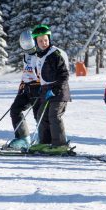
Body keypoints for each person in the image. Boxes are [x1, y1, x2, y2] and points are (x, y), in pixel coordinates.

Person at [29, 24, 71, 154]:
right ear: (36, 42)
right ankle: (45, 142)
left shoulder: (55, 54)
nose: (43, 43)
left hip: (59, 91)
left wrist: (55, 90)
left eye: (45, 40)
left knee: (54, 115)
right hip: (46, 90)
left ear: (49, 39)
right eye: (40, 41)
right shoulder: (40, 56)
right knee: (41, 115)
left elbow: (64, 75)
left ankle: (60, 144)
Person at [6, 31, 41, 150]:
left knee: (39, 114)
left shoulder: (41, 54)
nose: (29, 51)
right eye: (26, 49)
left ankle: (44, 138)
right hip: (26, 88)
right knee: (15, 110)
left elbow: (45, 72)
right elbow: (27, 71)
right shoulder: (26, 55)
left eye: (31, 48)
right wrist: (22, 84)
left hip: (38, 87)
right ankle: (23, 138)